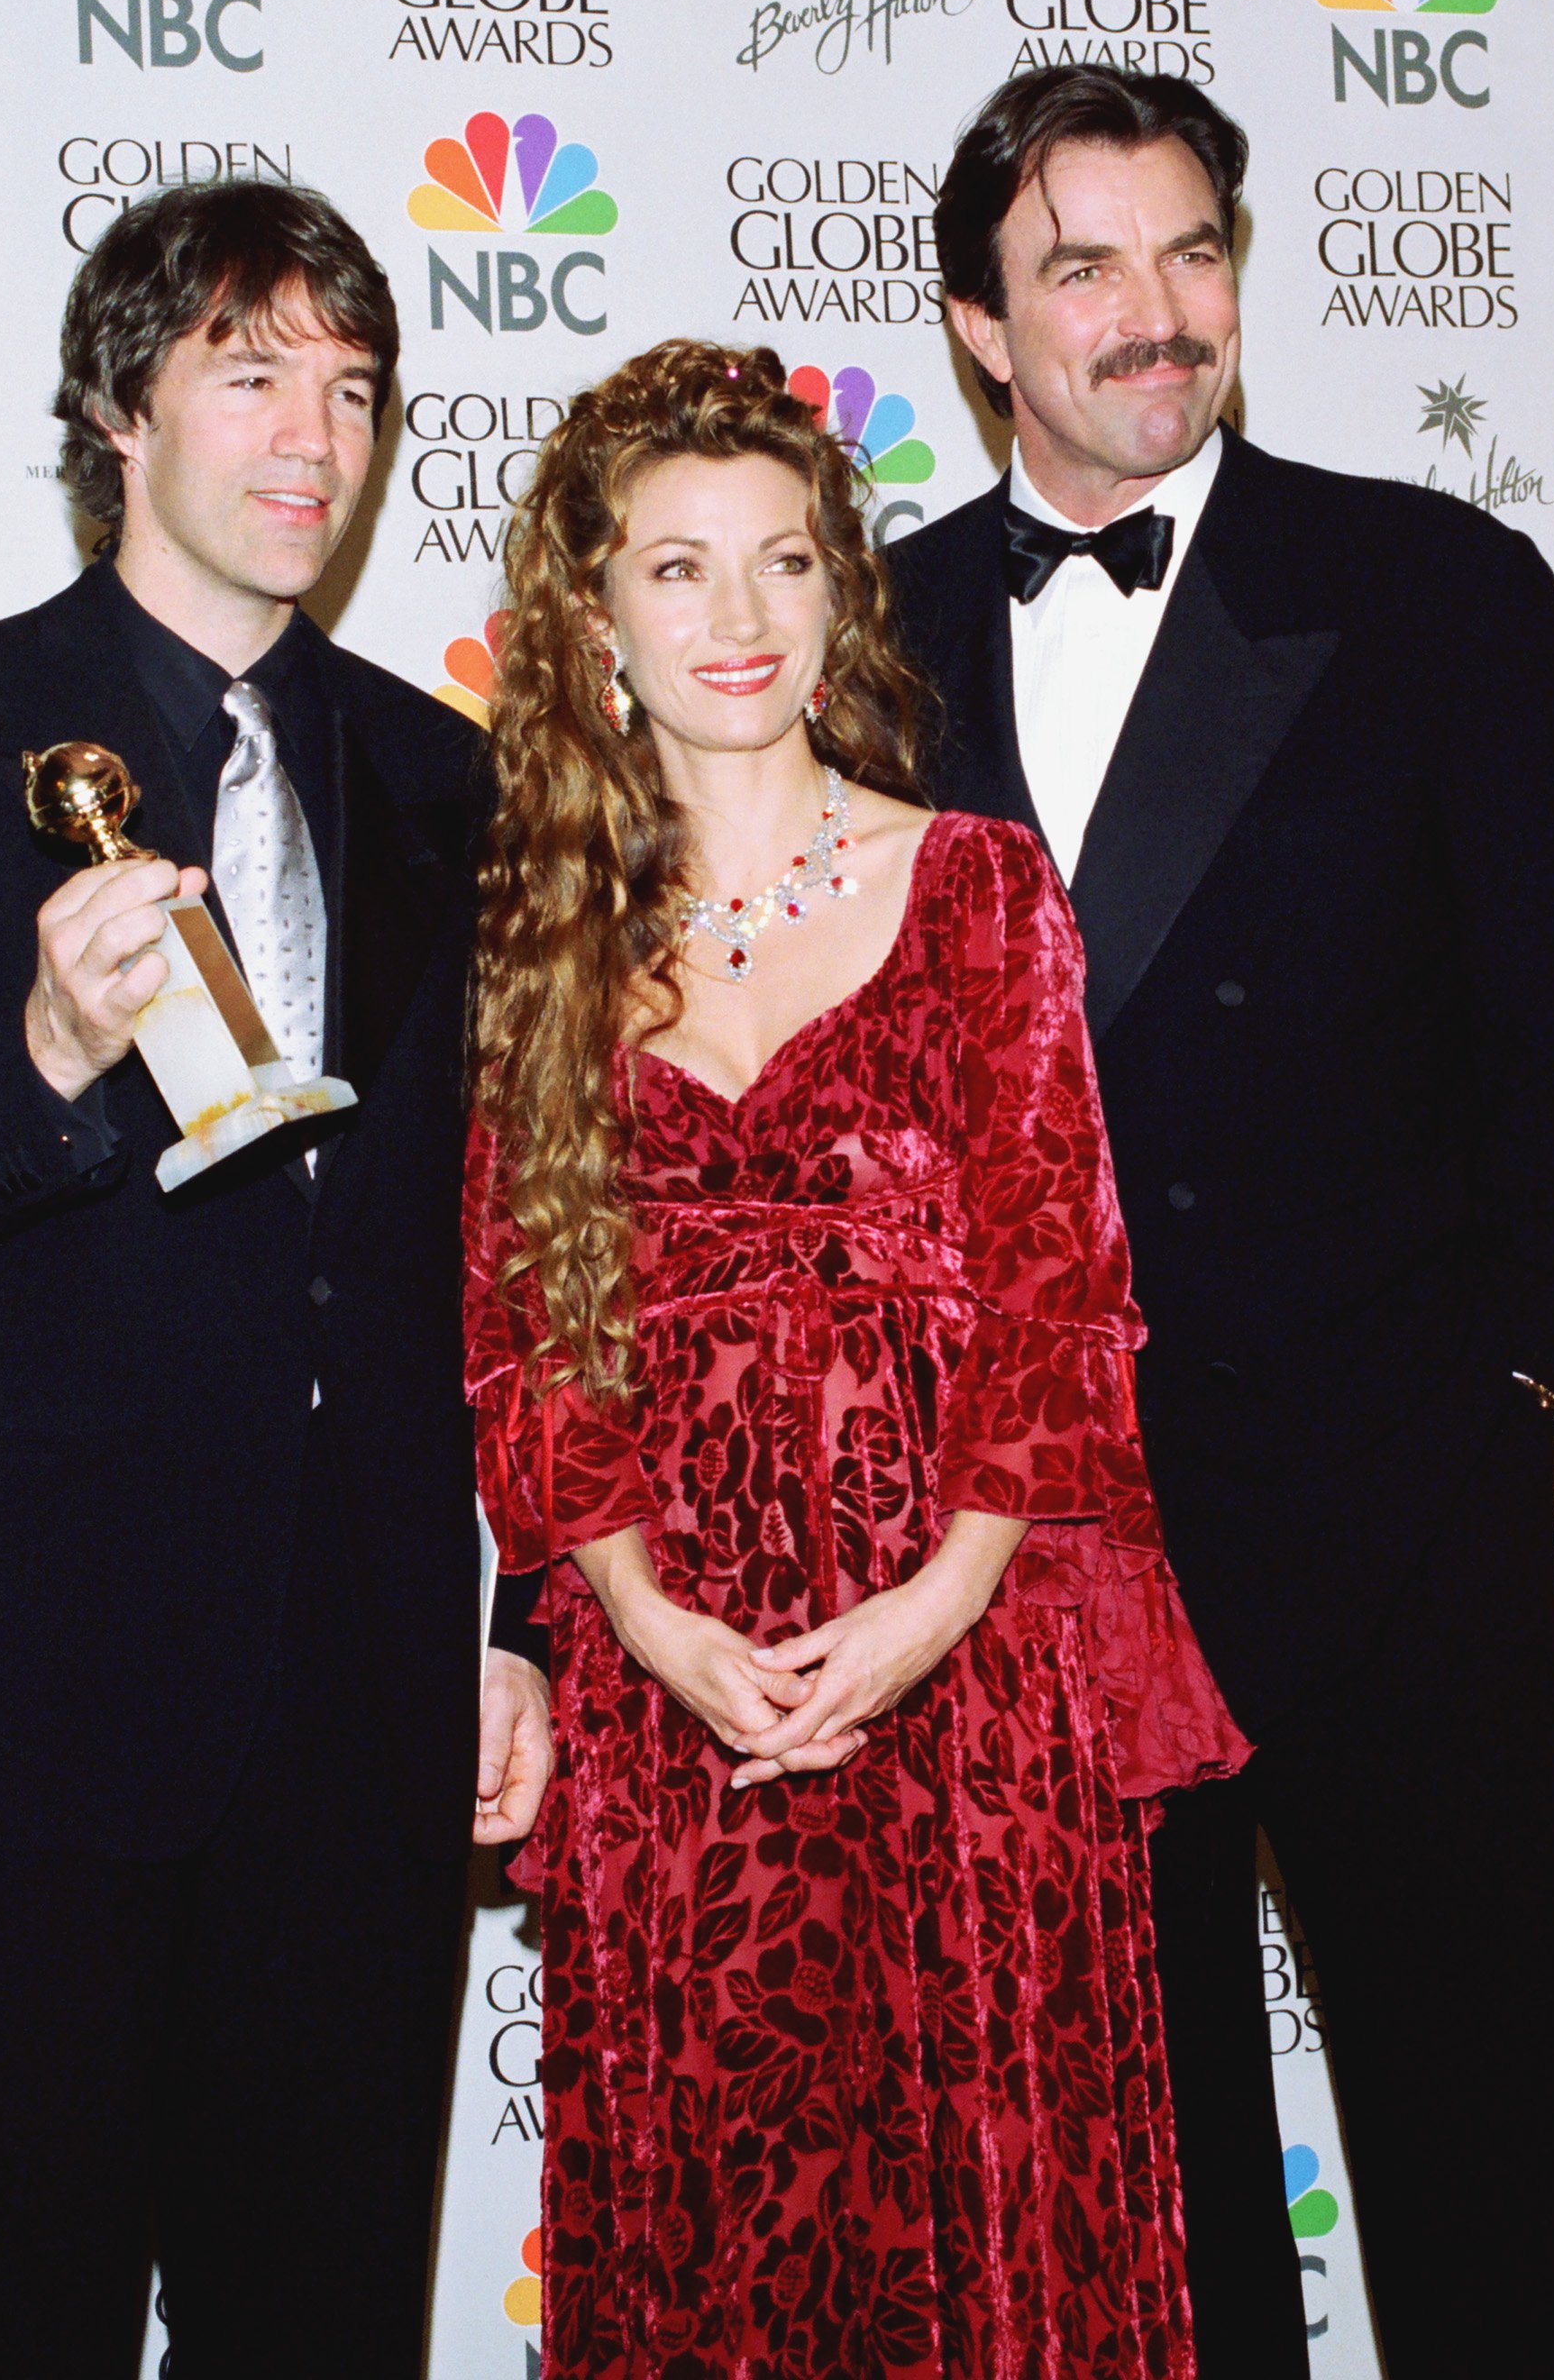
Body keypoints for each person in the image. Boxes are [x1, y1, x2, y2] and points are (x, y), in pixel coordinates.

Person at [890, 65, 1554, 2379]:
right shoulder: (868, 630)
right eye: (1082, 268)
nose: (1155, 315)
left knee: (1483, 2142)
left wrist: (1494, 1398)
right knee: (1132, 2190)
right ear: (974, 326)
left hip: (1381, 1515)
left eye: (1190, 252)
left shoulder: (1428, 587)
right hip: (1026, 1552)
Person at [0, 179, 552, 2379]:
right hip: (25, 1722)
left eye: (355, 388)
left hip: (366, 1724)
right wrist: (39, 1055)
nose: (315, 435)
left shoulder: (453, 781)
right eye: (251, 371)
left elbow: (514, 1251)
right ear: (124, 406)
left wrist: (513, 1624)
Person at [463, 338, 1245, 2380]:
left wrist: (934, 1606)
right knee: (718, 2225)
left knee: (986, 2225)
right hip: (673, 1700)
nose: (737, 618)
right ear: (595, 622)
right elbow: (530, 1340)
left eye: (784, 563)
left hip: (969, 1679)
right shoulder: (534, 950)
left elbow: (1067, 1303)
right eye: (675, 568)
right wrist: (634, 1618)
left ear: (838, 598)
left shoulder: (977, 888)